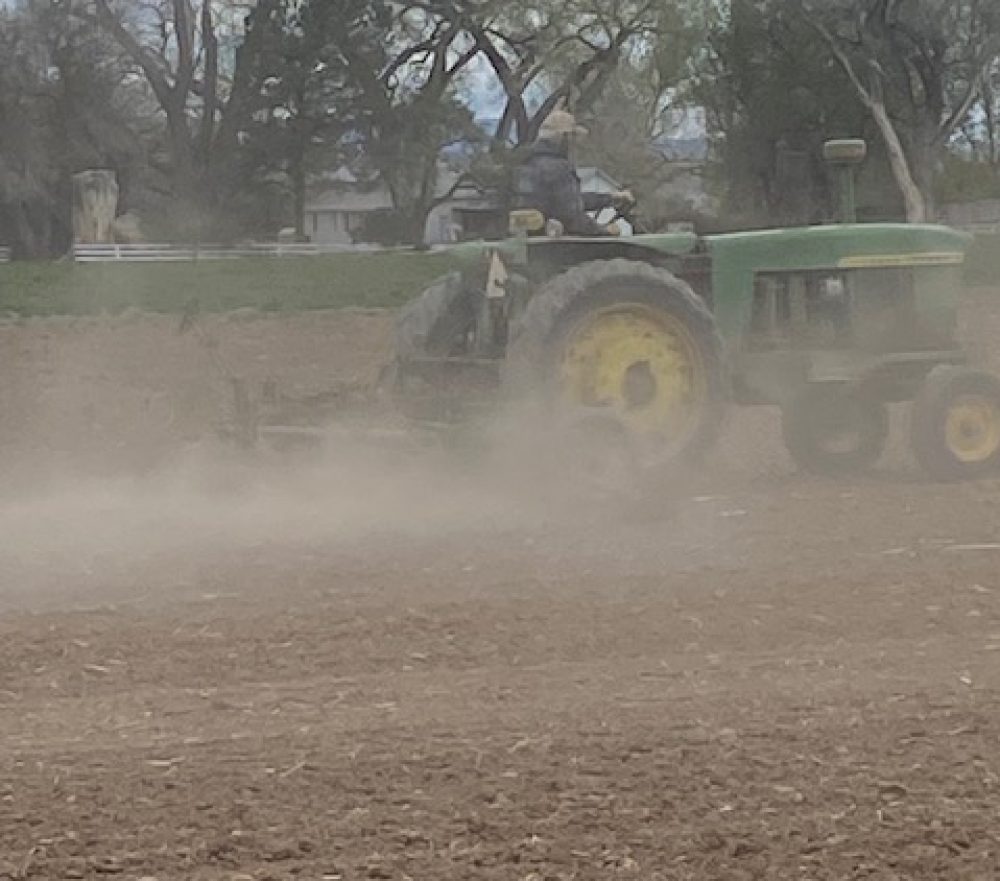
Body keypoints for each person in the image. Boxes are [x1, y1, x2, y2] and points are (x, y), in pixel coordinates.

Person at [514, 107, 635, 237]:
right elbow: (573, 217)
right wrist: (604, 231)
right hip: (558, 247)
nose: (574, 143)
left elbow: (566, 201)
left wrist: (610, 198)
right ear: (564, 137)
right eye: (573, 137)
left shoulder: (526, 165)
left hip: (529, 239)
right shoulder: (558, 169)